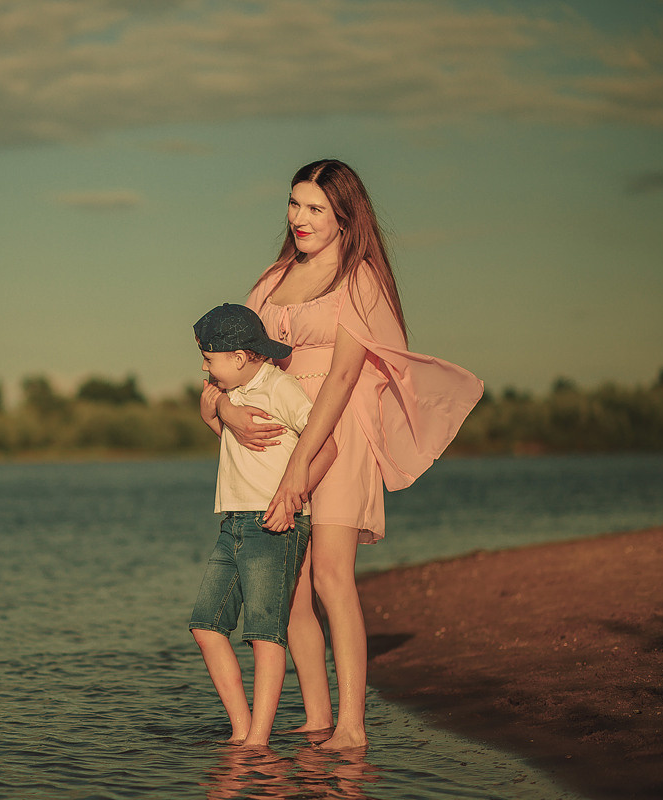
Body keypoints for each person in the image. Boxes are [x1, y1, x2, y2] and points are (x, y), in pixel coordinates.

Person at [211, 159, 483, 750]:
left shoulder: (358, 280)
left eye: (316, 208)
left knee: (332, 574)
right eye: (294, 204)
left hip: (338, 431)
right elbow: (234, 362)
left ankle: (353, 726)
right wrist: (225, 410)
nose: (300, 218)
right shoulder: (273, 277)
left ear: (344, 216)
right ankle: (315, 719)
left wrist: (298, 472)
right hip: (280, 431)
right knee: (293, 584)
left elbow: (338, 380)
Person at [188, 303, 337, 748]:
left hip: (273, 524)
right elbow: (239, 443)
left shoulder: (280, 388)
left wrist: (292, 498)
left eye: (209, 358)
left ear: (238, 357)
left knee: (264, 633)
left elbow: (326, 447)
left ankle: (258, 738)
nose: (203, 366)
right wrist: (212, 412)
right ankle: (241, 729)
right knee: (205, 626)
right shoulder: (228, 391)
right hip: (233, 521)